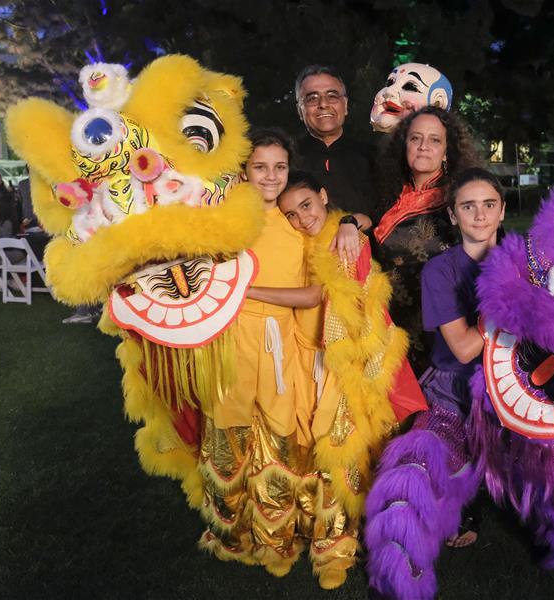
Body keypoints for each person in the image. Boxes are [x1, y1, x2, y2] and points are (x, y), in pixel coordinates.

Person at [244, 170, 426, 588]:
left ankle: (337, 550)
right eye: (291, 213)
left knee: (339, 455)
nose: (301, 218)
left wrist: (249, 291)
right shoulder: (309, 240)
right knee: (308, 450)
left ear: (324, 196)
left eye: (306, 205)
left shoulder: (345, 241)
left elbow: (316, 298)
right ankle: (313, 532)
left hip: (342, 368)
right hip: (305, 363)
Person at [364, 168, 505, 598]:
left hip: (517, 385)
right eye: (468, 206)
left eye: (489, 205)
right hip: (454, 387)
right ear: (453, 214)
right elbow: (463, 349)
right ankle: (401, 576)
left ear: (502, 211)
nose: (479, 215)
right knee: (410, 473)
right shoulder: (440, 271)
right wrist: (507, 302)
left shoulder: (526, 259)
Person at [198, 128, 314, 581]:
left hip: (279, 345)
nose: (270, 176)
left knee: (279, 441)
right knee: (228, 439)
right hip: (228, 344)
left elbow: (314, 290)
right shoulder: (226, 220)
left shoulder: (297, 221)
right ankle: (232, 534)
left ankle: (277, 538)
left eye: (279, 167)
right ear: (245, 171)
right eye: (260, 167)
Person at [372, 105, 481, 371]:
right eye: (415, 138)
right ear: (404, 145)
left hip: (444, 338)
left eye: (435, 140)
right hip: (390, 334)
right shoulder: (386, 195)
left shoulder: (462, 201)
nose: (423, 146)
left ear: (447, 151)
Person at [291, 64, 374, 266]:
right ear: (300, 110)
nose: (323, 104)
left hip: (367, 267)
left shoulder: (373, 156)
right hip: (302, 267)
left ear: (345, 105)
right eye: (311, 98)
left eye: (332, 96)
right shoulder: (287, 159)